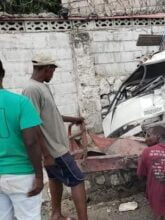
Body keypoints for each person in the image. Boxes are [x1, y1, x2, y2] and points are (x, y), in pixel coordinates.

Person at [22, 54, 88, 220]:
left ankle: (56, 215)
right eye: (52, 71)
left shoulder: (42, 87)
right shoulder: (31, 90)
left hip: (55, 148)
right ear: (46, 69)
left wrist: (74, 119)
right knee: (78, 180)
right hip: (54, 150)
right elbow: (33, 124)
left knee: (55, 178)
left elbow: (51, 115)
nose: (53, 74)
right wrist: (46, 154)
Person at [0, 59, 44, 219]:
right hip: (21, 175)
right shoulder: (20, 103)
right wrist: (39, 176)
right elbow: (31, 141)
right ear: (3, 74)